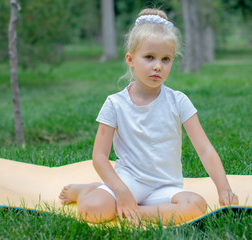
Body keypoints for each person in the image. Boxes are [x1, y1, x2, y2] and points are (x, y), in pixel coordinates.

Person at [59, 8, 238, 225]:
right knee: (92, 210)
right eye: (149, 57)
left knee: (196, 205)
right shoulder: (115, 104)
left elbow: (205, 149)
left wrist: (224, 189)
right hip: (127, 182)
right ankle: (89, 191)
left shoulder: (178, 101)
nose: (157, 66)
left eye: (166, 59)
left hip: (165, 187)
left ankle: (134, 212)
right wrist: (122, 192)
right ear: (131, 59)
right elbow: (99, 157)